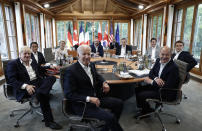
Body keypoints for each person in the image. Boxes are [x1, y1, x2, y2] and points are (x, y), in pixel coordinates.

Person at [63, 45, 123, 131]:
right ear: (78, 55)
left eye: (89, 54)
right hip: (82, 104)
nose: (87, 57)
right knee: (110, 117)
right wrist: (89, 99)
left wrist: (104, 82)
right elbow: (69, 94)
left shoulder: (91, 65)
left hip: (95, 98)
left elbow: (97, 76)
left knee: (119, 103)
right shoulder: (71, 71)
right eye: (84, 54)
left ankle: (106, 128)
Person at [6, 46, 62, 130]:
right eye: (25, 53)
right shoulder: (13, 64)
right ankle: (49, 122)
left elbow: (39, 68)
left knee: (52, 78)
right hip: (25, 86)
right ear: (20, 54)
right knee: (44, 97)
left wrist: (49, 66)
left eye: (29, 53)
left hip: (37, 82)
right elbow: (11, 80)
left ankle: (39, 94)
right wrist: (26, 86)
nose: (27, 55)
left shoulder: (32, 61)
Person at [135, 46, 179, 117]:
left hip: (166, 92)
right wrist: (156, 78)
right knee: (137, 89)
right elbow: (151, 73)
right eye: (162, 54)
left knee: (141, 94)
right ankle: (146, 108)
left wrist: (151, 82)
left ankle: (146, 112)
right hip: (157, 87)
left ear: (170, 55)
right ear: (159, 54)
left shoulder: (174, 68)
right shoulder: (158, 60)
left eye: (167, 55)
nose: (164, 57)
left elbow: (168, 86)